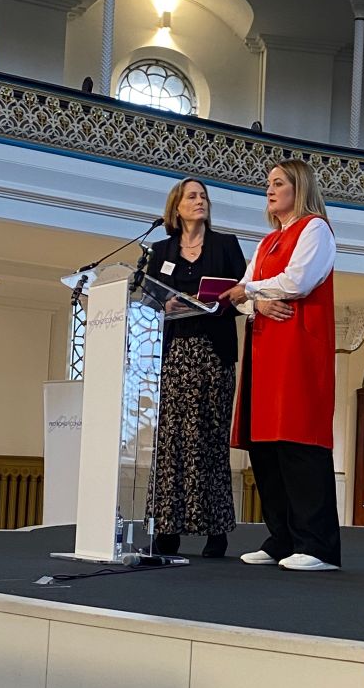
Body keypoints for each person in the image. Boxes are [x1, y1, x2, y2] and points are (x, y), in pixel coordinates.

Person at [222, 160, 341, 571]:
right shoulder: (268, 240)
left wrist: (252, 293)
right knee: (266, 446)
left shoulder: (315, 229)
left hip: (298, 348)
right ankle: (282, 538)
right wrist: (256, 301)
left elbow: (298, 281)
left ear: (299, 187)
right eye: (268, 184)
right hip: (264, 347)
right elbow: (242, 295)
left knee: (298, 442)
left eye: (278, 183)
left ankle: (318, 546)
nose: (269, 190)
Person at [145, 178, 247, 557]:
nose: (200, 200)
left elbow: (244, 296)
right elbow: (149, 297)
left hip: (214, 354)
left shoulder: (226, 245)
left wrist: (219, 303)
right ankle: (167, 529)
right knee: (172, 440)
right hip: (175, 354)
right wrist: (164, 304)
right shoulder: (160, 250)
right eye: (192, 196)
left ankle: (215, 531)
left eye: (203, 196)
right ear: (177, 207)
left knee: (210, 439)